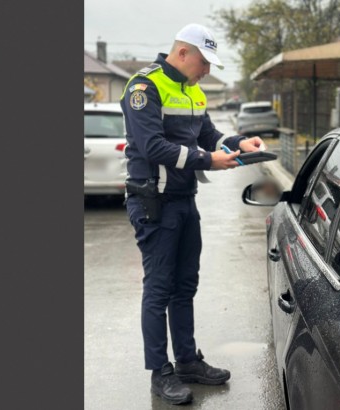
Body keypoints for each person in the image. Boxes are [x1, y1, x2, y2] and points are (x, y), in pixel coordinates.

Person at [120, 23, 264, 405]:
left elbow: (209, 136)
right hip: (154, 203)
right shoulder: (144, 87)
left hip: (184, 200)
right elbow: (152, 147)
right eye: (203, 62)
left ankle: (186, 361)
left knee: (185, 286)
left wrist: (238, 143)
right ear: (182, 53)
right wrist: (207, 161)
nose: (207, 71)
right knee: (159, 289)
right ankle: (160, 372)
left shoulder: (193, 91)